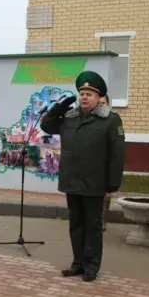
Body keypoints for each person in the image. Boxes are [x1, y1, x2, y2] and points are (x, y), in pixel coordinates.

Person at [40, 71, 126, 282]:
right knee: (76, 224)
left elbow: (118, 154)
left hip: (95, 181)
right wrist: (58, 108)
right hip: (71, 179)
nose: (84, 97)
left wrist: (113, 182)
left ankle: (91, 266)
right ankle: (77, 263)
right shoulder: (69, 118)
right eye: (82, 93)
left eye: (89, 94)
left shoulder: (110, 120)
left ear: (99, 98)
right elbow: (46, 125)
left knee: (93, 225)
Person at [99, 94, 112, 232]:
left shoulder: (111, 120)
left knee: (106, 194)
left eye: (104, 103)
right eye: (99, 102)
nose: (101, 105)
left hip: (106, 162)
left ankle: (103, 219)